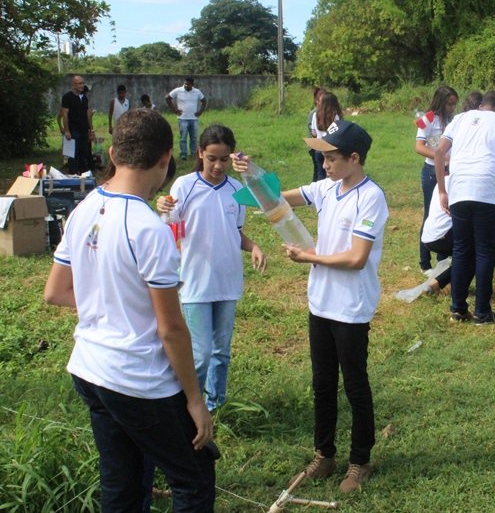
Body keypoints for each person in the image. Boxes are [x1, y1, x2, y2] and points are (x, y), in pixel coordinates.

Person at [43, 108, 216, 511]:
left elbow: (55, 291)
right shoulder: (149, 228)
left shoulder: (83, 208)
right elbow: (171, 328)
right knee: (194, 477)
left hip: (89, 369)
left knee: (121, 479)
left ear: (114, 153)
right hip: (138, 379)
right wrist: (194, 400)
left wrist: (111, 304)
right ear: (165, 159)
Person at [234, 119, 387, 493]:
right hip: (321, 304)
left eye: (331, 158)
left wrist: (309, 258)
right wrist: (249, 173)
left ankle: (360, 461)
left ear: (354, 158)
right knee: (322, 385)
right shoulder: (326, 188)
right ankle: (324, 454)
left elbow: (356, 258)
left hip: (351, 307)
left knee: (354, 385)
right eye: (323, 158)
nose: (325, 165)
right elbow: (275, 199)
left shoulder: (370, 197)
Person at [156, 124, 266, 412]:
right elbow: (170, 225)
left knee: (221, 352)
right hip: (195, 282)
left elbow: (235, 231)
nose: (218, 166)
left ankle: (215, 404)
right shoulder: (184, 185)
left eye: (224, 159)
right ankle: (191, 405)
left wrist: (253, 246)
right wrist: (163, 209)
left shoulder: (237, 189)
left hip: (228, 281)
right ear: (200, 154)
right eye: (212, 158)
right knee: (201, 354)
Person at [434, 90, 495, 325]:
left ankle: (458, 308)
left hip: (459, 189)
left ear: (482, 106)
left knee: (461, 250)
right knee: (484, 252)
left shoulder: (460, 118)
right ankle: (482, 311)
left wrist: (442, 190)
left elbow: (439, 152)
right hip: (486, 191)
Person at [414, 86, 458, 275]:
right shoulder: (428, 119)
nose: (452, 108)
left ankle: (443, 258)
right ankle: (425, 262)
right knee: (429, 215)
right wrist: (441, 157)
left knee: (447, 213)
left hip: (449, 173)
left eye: (454, 104)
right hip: (432, 172)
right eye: (449, 104)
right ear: (440, 102)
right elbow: (419, 147)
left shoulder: (453, 120)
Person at [58, 74, 94, 174]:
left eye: (83, 83)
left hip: (84, 129)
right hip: (73, 130)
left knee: (84, 151)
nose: (82, 85)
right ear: (74, 84)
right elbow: (64, 114)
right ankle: (73, 172)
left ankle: (83, 172)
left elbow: (87, 114)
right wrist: (67, 130)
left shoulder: (84, 98)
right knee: (73, 153)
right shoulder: (67, 97)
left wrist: (90, 130)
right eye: (79, 83)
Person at [165, 77, 207, 160]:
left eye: (188, 84)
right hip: (182, 118)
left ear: (192, 85)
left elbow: (204, 101)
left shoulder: (197, 92)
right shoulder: (178, 90)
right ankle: (183, 154)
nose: (186, 86)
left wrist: (200, 112)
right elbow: (167, 98)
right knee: (183, 137)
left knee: (194, 138)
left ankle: (193, 153)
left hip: (194, 119)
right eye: (185, 84)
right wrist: (175, 110)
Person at [310, 91, 343, 181]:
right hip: (330, 148)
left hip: (318, 147)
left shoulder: (315, 115)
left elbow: (313, 132)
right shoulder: (335, 116)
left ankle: (319, 193)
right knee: (331, 175)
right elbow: (337, 132)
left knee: (320, 173)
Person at [307, 86, 327, 181]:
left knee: (321, 171)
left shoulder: (330, 112)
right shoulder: (314, 113)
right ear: (316, 100)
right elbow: (312, 132)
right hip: (316, 146)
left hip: (320, 146)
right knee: (318, 171)